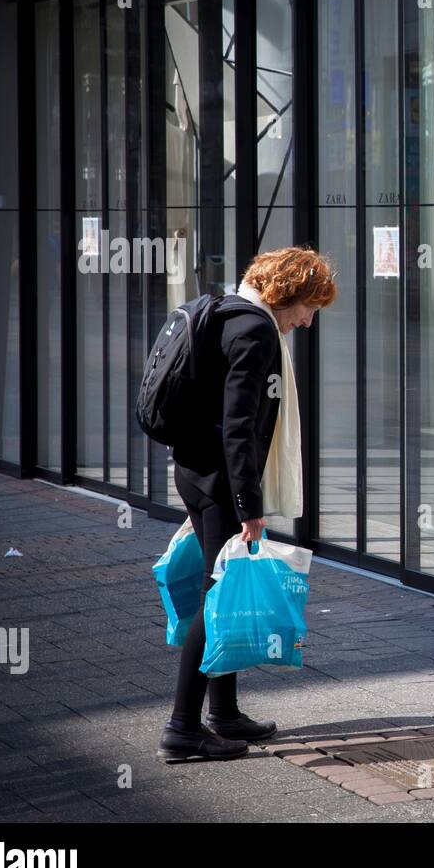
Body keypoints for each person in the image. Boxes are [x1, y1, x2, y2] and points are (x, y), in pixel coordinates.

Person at [157, 247, 337, 764]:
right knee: (219, 597)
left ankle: (225, 713)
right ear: (288, 294)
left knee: (227, 583)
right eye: (310, 307)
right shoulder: (256, 331)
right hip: (218, 480)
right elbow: (237, 425)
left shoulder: (232, 313)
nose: (307, 320)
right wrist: (247, 504)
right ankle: (183, 727)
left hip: (197, 469)